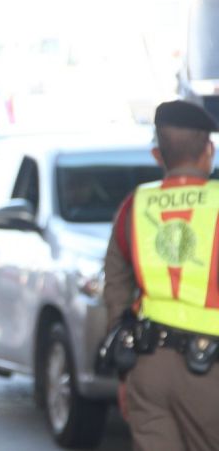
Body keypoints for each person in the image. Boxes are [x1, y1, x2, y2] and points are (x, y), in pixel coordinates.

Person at [103, 100, 219, 451]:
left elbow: (116, 292)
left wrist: (126, 373)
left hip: (147, 365)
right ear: (209, 150)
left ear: (158, 155)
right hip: (211, 372)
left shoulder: (133, 206)